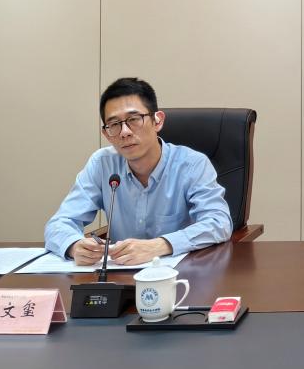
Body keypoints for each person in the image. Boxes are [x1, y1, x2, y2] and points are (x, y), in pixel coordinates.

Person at [44, 77, 233, 265]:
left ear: (157, 121)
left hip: (182, 274)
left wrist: (159, 246)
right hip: (120, 274)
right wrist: (74, 246)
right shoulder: (102, 164)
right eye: (114, 124)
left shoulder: (192, 165)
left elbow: (219, 222)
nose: (124, 132)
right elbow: (58, 223)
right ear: (106, 134)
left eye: (134, 119)